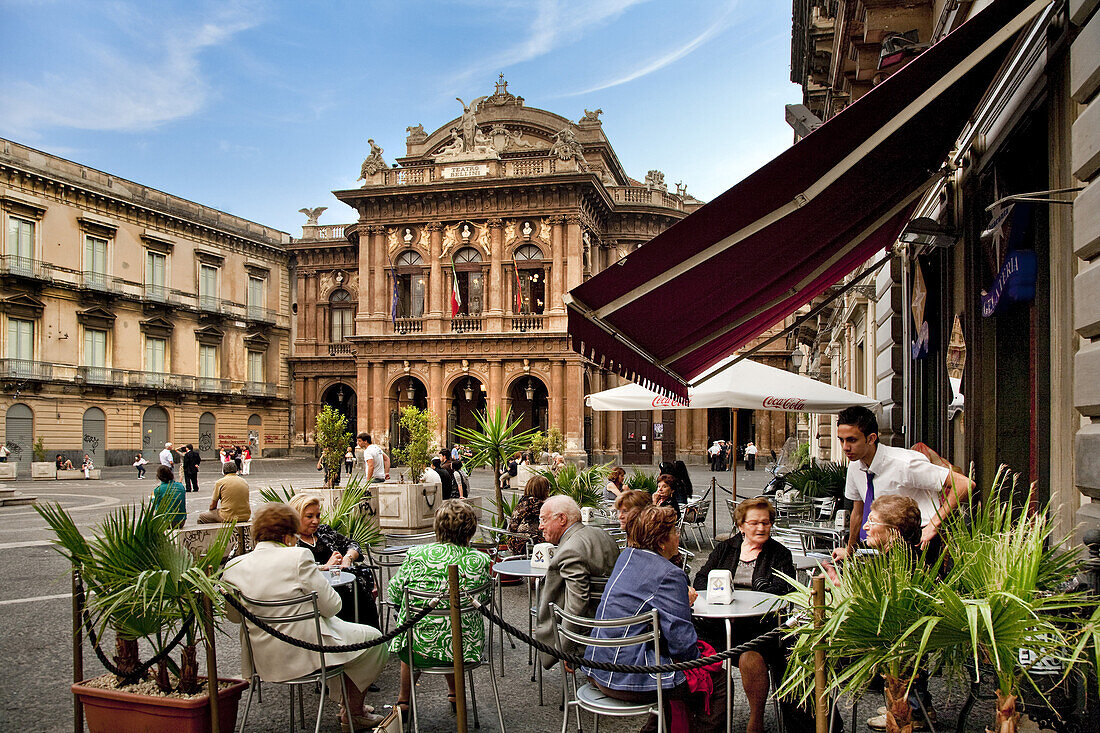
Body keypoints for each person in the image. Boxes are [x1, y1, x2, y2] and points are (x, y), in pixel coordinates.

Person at [223, 503, 387, 730]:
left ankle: (348, 705)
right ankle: (353, 710)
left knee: (347, 639)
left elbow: (233, 616)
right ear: (288, 533)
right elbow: (332, 606)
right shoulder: (299, 557)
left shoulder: (233, 565)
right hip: (307, 652)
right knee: (374, 640)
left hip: (262, 657)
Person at [582, 505, 726, 733]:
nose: (678, 537)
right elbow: (683, 645)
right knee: (717, 680)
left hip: (597, 667)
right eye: (674, 532)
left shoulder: (627, 557)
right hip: (627, 679)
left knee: (671, 670)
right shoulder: (669, 574)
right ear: (661, 542)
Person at [693, 496, 795, 733]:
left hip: (760, 626)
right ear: (741, 526)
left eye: (766, 522)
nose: (761, 527)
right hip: (719, 623)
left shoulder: (779, 553)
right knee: (692, 647)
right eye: (754, 523)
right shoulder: (725, 549)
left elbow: (785, 589)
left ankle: (756, 720)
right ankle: (706, 718)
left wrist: (763, 587)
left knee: (751, 658)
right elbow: (700, 579)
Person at [388, 499, 490, 716]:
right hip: (465, 649)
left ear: (437, 527)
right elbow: (485, 599)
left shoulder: (416, 555)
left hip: (419, 648)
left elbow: (394, 593)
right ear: (470, 529)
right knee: (451, 627)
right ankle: (455, 693)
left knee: (413, 628)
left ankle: (404, 701)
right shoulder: (480, 560)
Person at [833, 406, 973, 561]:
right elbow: (857, 512)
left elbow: (964, 484)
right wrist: (850, 550)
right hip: (880, 543)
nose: (845, 447)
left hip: (917, 543)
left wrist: (933, 526)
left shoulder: (905, 463)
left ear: (871, 438)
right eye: (841, 440)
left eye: (852, 440)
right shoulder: (855, 466)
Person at [534, 495, 620, 668]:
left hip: (589, 633)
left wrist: (566, 650)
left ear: (562, 519)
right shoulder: (602, 534)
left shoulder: (570, 549)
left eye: (543, 520)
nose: (540, 526)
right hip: (613, 620)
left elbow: (577, 604)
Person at [288, 493, 380, 629]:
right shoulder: (290, 542)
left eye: (318, 516)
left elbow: (353, 545)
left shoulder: (324, 532)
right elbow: (293, 569)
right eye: (309, 516)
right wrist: (325, 567)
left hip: (349, 589)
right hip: (321, 599)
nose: (315, 521)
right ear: (296, 517)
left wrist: (347, 558)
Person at [507, 474, 550, 555]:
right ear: (543, 490)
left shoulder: (523, 501)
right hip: (526, 544)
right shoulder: (537, 504)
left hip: (513, 542)